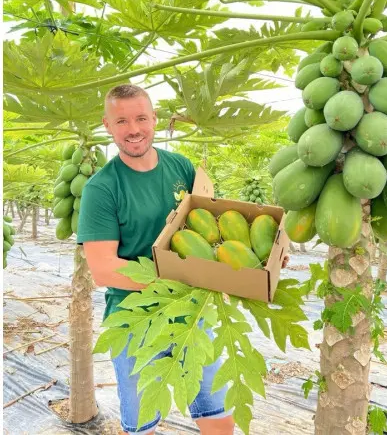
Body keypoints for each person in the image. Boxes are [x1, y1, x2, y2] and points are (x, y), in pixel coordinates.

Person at [77, 84, 289, 435]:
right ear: (107, 125)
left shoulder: (181, 166)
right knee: (142, 425)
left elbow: (215, 226)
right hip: (135, 323)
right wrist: (186, 276)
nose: (133, 129)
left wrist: (267, 257)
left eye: (141, 118)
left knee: (218, 414)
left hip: (193, 316)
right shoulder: (101, 188)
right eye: (122, 121)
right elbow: (103, 269)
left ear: (154, 119)